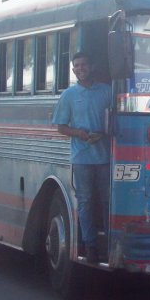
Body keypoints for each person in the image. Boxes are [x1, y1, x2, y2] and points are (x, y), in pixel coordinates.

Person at [52, 52, 112, 263]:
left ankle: (111, 242)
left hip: (105, 156)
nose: (80, 68)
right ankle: (91, 245)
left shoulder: (107, 91)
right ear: (73, 70)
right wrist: (80, 134)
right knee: (85, 201)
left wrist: (103, 133)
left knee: (107, 201)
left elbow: (116, 118)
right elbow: (61, 127)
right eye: (76, 66)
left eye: (83, 64)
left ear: (92, 67)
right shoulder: (69, 95)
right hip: (82, 157)